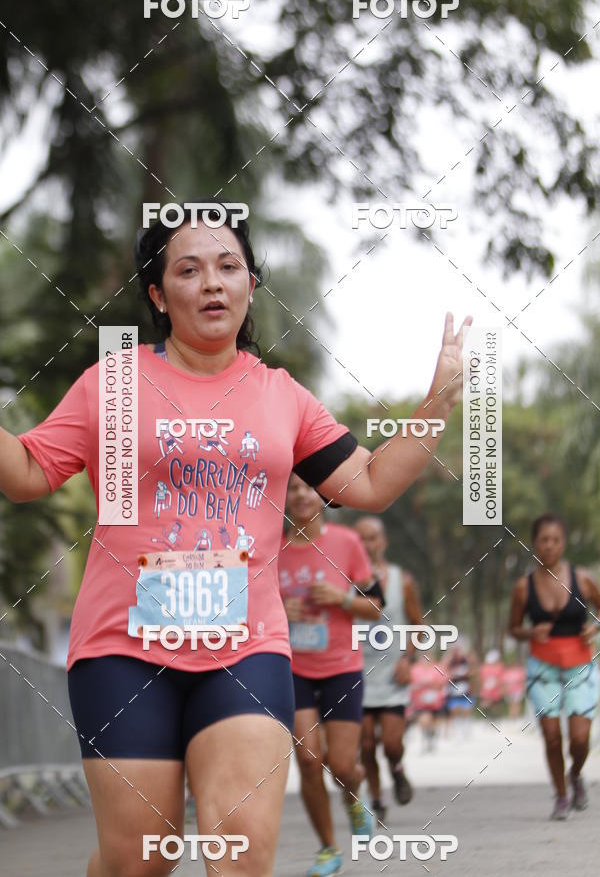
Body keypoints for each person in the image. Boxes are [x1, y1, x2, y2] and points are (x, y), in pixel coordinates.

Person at [2, 197, 470, 876]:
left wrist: (440, 401)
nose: (213, 282)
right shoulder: (116, 384)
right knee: (139, 858)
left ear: (253, 283)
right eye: (189, 270)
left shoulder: (282, 395)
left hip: (244, 650)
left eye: (230, 266)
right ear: (160, 295)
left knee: (241, 855)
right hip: (122, 649)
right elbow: (25, 472)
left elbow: (368, 484)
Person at [279, 474, 383, 876]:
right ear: (283, 497)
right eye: (293, 488)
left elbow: (375, 606)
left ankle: (354, 799)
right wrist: (279, 609)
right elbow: (248, 604)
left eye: (309, 488)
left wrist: (342, 599)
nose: (302, 495)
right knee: (308, 760)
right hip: (292, 669)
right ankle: (327, 848)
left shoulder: (346, 543)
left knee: (341, 766)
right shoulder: (270, 548)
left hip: (342, 667)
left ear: (324, 497)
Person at [509, 512, 600, 820]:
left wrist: (595, 627)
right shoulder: (524, 587)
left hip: (579, 667)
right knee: (551, 737)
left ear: (563, 543)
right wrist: (529, 632)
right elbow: (513, 628)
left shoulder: (583, 579)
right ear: (534, 544)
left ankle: (575, 774)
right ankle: (561, 796)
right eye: (543, 540)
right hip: (542, 668)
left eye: (555, 540)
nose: (549, 546)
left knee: (579, 739)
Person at [354, 515, 423, 821]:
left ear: (383, 542)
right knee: (366, 743)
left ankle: (397, 769)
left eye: (372, 538)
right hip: (357, 672)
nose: (366, 544)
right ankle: (377, 798)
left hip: (392, 672)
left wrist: (407, 660)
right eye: (361, 538)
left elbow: (418, 628)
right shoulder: (342, 580)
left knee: (392, 743)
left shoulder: (401, 580)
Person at [409, 655, 448, 752]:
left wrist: (432, 684)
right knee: (424, 720)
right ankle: (425, 740)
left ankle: (431, 738)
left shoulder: (438, 668)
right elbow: (410, 685)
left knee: (432, 723)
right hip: (420, 702)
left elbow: (443, 683)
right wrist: (420, 685)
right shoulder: (414, 669)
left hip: (435, 702)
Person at [442, 641, 477, 739]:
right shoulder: (450, 660)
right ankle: (455, 731)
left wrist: (466, 673)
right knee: (454, 711)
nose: (457, 652)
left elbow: (473, 671)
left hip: (466, 690)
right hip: (453, 690)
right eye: (454, 650)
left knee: (467, 710)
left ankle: (466, 730)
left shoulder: (466, 660)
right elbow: (444, 672)